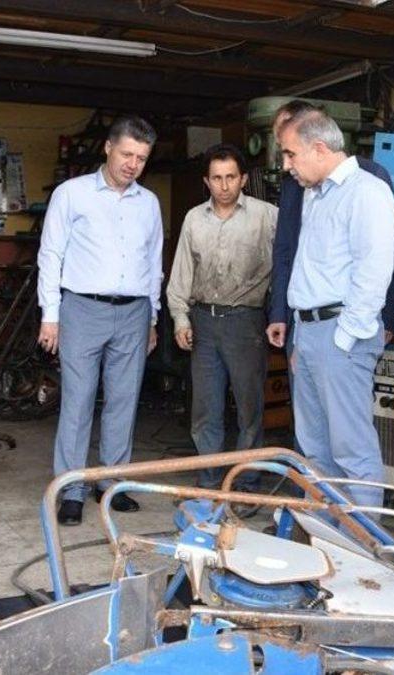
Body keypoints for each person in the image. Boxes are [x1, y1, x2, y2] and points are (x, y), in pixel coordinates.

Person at [37, 116, 163, 526]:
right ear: (108, 148)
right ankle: (72, 489)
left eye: (141, 158)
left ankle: (112, 484)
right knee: (78, 401)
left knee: (124, 401)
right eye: (126, 154)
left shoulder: (148, 202)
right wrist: (50, 315)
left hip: (134, 312)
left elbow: (154, 263)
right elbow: (50, 255)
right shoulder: (72, 194)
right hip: (82, 309)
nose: (132, 164)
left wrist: (152, 316)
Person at [278, 107, 394, 508]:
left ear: (318, 148)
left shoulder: (366, 192)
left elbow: (373, 272)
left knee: (352, 450)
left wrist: (344, 338)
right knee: (315, 451)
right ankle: (326, 535)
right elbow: (310, 273)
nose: (286, 165)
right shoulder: (315, 195)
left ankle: (362, 540)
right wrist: (302, 338)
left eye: (290, 154)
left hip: (341, 335)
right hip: (310, 334)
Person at [166, 143, 277, 490]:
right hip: (203, 322)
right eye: (217, 178)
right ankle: (210, 480)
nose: (224, 185)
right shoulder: (194, 219)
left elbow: (289, 265)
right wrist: (181, 318)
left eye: (231, 177)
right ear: (206, 181)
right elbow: (181, 273)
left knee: (249, 408)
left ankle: (247, 483)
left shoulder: (267, 216)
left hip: (246, 322)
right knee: (205, 409)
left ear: (243, 179)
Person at [267, 100, 394, 351]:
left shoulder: (368, 182)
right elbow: (285, 251)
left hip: (344, 327)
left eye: (289, 151)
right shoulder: (297, 185)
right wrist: (283, 316)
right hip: (303, 324)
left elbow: (383, 259)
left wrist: (378, 322)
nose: (285, 163)